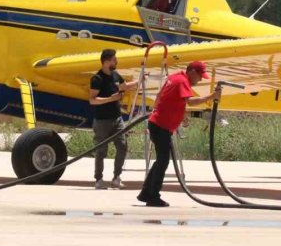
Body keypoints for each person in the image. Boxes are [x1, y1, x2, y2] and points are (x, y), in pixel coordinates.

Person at [136, 60, 221, 207]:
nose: (200, 80)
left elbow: (164, 98)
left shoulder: (174, 78)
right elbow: (191, 102)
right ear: (192, 72)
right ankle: (152, 196)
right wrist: (211, 96)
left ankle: (146, 193)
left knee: (161, 161)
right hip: (161, 126)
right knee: (163, 161)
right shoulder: (182, 81)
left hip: (159, 124)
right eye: (200, 76)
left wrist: (180, 116)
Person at [89, 49, 139, 189]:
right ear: (106, 61)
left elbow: (124, 86)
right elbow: (92, 100)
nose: (116, 62)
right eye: (114, 60)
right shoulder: (97, 79)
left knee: (123, 146)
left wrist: (138, 81)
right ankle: (98, 179)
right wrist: (111, 99)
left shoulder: (116, 75)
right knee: (101, 151)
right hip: (102, 120)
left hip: (117, 119)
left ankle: (116, 177)